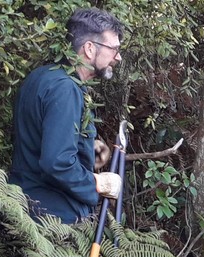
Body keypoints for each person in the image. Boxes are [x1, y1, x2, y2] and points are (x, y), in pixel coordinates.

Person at [9, 8, 125, 223]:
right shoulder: (66, 90)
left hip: (23, 206)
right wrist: (97, 183)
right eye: (114, 49)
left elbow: (40, 138)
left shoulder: (41, 76)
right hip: (52, 217)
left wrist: (90, 149)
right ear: (89, 49)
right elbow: (57, 163)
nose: (117, 57)